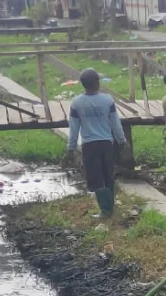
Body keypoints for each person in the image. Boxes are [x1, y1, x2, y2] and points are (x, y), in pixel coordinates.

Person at [66, 69, 127, 219]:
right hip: (107, 143)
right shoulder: (107, 100)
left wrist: (71, 147)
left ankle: (106, 210)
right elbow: (115, 123)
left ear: (83, 84)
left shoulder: (77, 103)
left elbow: (74, 128)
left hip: (89, 145)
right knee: (108, 175)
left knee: (96, 177)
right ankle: (109, 208)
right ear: (97, 82)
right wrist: (122, 140)